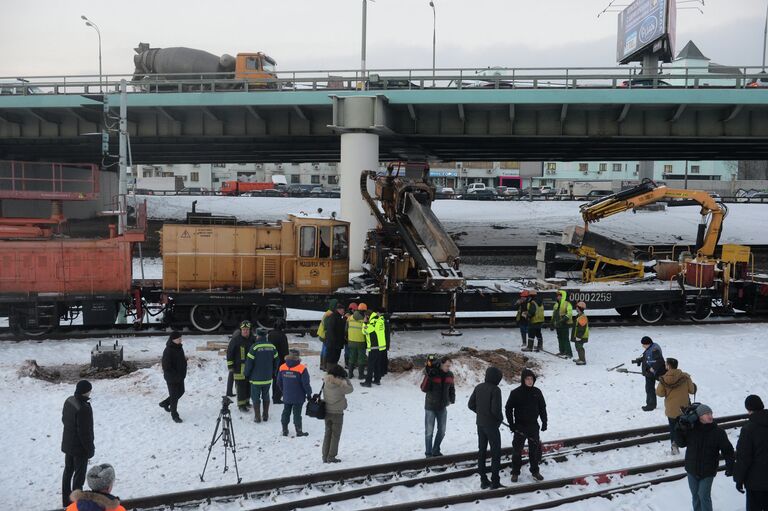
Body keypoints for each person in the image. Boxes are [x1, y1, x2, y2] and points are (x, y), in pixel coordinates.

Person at [677, 403, 735, 511]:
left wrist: (730, 466)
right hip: (692, 469)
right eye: (706, 414)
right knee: (695, 496)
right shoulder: (692, 430)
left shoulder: (718, 432)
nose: (710, 416)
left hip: (708, 471)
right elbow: (681, 443)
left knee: (703, 495)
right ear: (699, 417)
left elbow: (728, 451)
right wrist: (678, 429)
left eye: (711, 413)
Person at [505, 368, 547, 482]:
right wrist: (511, 424)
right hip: (520, 427)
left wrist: (544, 422)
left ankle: (535, 471)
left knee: (533, 450)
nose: (530, 381)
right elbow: (508, 408)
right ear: (523, 380)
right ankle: (515, 472)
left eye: (531, 379)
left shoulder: (537, 392)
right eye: (527, 379)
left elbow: (542, 408)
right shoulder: (515, 393)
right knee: (517, 451)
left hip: (533, 426)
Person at [468, 366, 504, 490]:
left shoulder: (478, 387)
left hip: (480, 425)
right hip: (492, 426)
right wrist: (500, 419)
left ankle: (483, 480)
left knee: (482, 452)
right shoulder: (495, 390)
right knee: (495, 453)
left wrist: (480, 413)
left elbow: (470, 404)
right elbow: (496, 410)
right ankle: (495, 481)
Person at [61, 380, 95, 508]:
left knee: (68, 471)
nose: (90, 392)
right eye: (89, 390)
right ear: (86, 391)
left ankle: (66, 501)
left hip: (68, 443)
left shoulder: (69, 400)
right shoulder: (84, 408)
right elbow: (85, 433)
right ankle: (76, 504)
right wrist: (90, 449)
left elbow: (64, 419)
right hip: (80, 448)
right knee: (79, 478)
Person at [733, 395, 768, 511]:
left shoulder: (749, 429)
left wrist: (739, 479)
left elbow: (744, 458)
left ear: (748, 409)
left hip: (756, 482)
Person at [655, 358, 696, 454]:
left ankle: (674, 446)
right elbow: (692, 390)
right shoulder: (685, 377)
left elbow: (660, 393)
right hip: (684, 409)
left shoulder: (663, 379)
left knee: (673, 428)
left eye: (666, 364)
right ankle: (691, 446)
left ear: (668, 366)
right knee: (687, 427)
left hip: (671, 410)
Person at [422, 356, 456, 457]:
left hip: (442, 407)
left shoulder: (450, 375)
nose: (448, 368)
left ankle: (435, 450)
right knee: (429, 432)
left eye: (449, 366)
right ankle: (428, 454)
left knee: (442, 431)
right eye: (446, 366)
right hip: (430, 407)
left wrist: (452, 399)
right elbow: (423, 388)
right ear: (441, 364)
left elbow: (452, 388)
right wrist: (429, 375)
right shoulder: (433, 373)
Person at [245, 327, 278, 423]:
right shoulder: (272, 346)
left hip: (256, 379)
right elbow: (277, 360)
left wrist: (246, 374)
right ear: (266, 336)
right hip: (267, 378)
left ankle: (257, 416)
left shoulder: (254, 347)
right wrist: (274, 372)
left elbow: (249, 363)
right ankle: (266, 415)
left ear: (258, 335)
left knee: (255, 397)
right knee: (266, 395)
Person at [322, 364, 354, 463]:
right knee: (335, 435)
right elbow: (351, 389)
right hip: (337, 413)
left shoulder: (325, 382)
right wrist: (346, 379)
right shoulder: (341, 385)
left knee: (327, 434)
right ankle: (331, 456)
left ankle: (325, 456)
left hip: (326, 411)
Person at [277, 348, 312, 437]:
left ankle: (284, 430)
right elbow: (305, 384)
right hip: (298, 396)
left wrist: (284, 391)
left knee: (286, 412)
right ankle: (299, 431)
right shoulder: (302, 368)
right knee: (297, 414)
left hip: (287, 395)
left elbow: (279, 382)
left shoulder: (282, 367)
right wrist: (308, 394)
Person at [159, 331, 187, 423]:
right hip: (172, 378)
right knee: (174, 397)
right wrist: (175, 376)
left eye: (180, 338)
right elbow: (166, 366)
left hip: (180, 376)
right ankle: (174, 415)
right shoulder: (168, 350)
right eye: (179, 339)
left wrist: (183, 371)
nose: (180, 340)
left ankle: (165, 403)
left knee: (181, 391)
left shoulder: (179, 347)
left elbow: (183, 360)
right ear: (173, 340)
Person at [227, 320, 255, 411]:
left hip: (250, 369)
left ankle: (247, 402)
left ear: (250, 330)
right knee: (241, 387)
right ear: (241, 330)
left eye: (247, 329)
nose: (245, 331)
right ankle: (241, 405)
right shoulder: (235, 340)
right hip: (239, 369)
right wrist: (230, 366)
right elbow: (230, 353)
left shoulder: (253, 339)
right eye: (244, 330)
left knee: (249, 386)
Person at [632, 336, 666, 411]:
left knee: (651, 388)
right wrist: (639, 360)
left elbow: (660, 361)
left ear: (647, 344)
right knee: (649, 388)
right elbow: (648, 357)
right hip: (650, 372)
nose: (642, 346)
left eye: (643, 344)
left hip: (655, 372)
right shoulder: (651, 347)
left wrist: (653, 368)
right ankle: (650, 404)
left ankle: (651, 405)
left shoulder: (654, 350)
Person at [360, 308, 387, 388]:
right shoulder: (380, 320)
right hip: (380, 347)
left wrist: (365, 323)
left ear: (367, 316)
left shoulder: (373, 322)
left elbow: (365, 331)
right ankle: (377, 380)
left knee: (371, 365)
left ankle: (368, 382)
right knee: (377, 364)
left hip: (374, 346)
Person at [269, 319, 290, 404]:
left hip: (271, 360)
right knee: (279, 379)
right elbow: (285, 351)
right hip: (280, 361)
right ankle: (277, 398)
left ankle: (274, 395)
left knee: (274, 378)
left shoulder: (270, 334)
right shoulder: (282, 336)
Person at [346, 303, 367, 380]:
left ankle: (350, 374)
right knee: (361, 358)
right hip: (361, 342)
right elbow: (366, 331)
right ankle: (361, 375)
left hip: (351, 341)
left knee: (352, 357)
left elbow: (346, 329)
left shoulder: (350, 318)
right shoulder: (364, 319)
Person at [551, 290, 573, 359]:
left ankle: (569, 353)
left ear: (563, 296)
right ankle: (562, 351)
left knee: (565, 338)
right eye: (557, 296)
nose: (558, 297)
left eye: (559, 296)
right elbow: (554, 315)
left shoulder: (567, 304)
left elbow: (569, 313)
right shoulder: (556, 305)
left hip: (564, 324)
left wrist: (563, 320)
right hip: (558, 325)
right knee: (560, 338)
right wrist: (552, 323)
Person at [317, 299, 337, 371]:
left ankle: (322, 364)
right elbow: (327, 326)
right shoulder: (330, 314)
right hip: (325, 334)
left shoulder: (328, 312)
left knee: (323, 349)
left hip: (322, 333)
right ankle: (324, 365)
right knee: (326, 350)